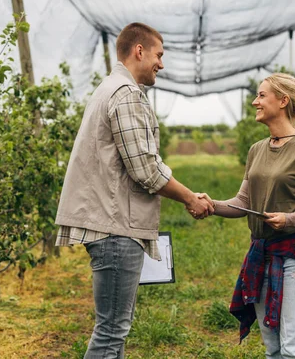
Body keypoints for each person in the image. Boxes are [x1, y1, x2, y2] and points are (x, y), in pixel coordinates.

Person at [55, 22, 213, 359]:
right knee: (112, 331)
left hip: (110, 223)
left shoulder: (110, 88)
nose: (161, 63)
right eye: (159, 54)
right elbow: (145, 169)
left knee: (113, 328)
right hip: (114, 227)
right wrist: (189, 198)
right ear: (139, 51)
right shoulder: (125, 95)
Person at [197, 73, 295, 359]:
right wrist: (210, 204)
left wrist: (291, 219)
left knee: (294, 348)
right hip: (262, 254)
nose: (255, 101)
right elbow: (242, 202)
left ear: (283, 100)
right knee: (273, 347)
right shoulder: (256, 150)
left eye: (262, 95)